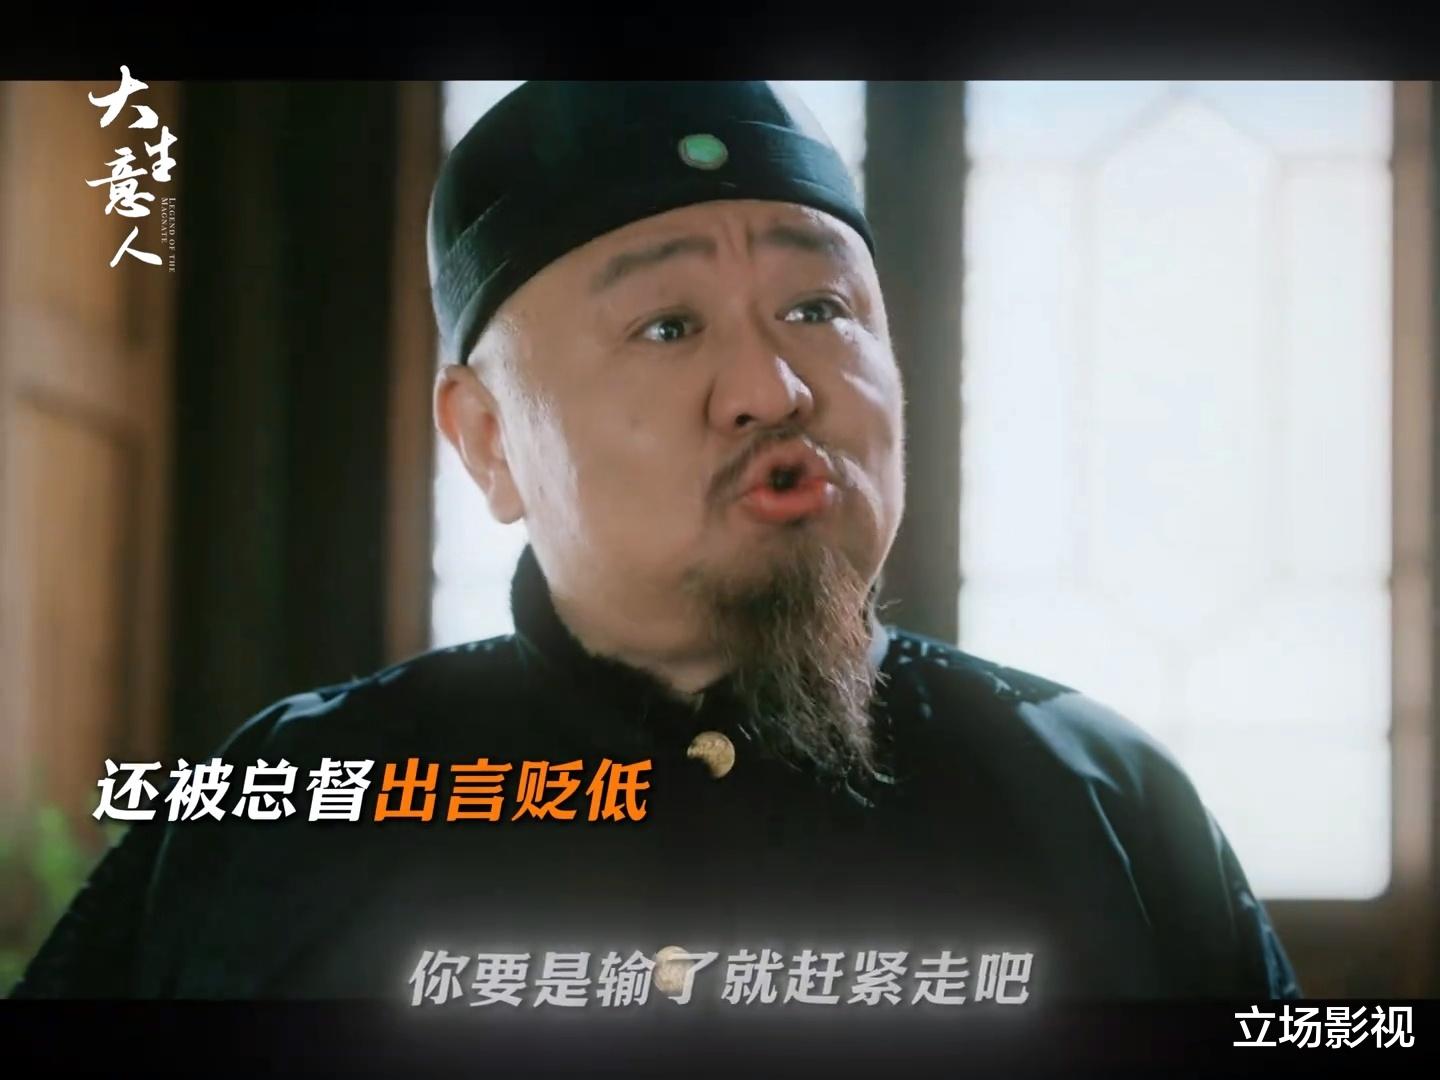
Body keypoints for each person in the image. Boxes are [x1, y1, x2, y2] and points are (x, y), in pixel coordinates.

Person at [12, 80, 1298, 1007]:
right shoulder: (288, 808)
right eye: (668, 328)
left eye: (818, 307)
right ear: (487, 441)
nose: (772, 388)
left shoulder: (1099, 795)